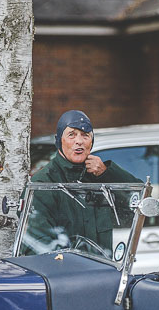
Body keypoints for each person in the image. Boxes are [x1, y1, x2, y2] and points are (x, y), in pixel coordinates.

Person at [27, 110, 139, 257]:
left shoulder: (100, 176)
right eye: (71, 135)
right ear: (59, 140)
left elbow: (138, 201)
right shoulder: (43, 183)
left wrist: (106, 173)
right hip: (62, 273)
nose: (79, 141)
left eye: (85, 135)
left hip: (102, 270)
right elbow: (36, 244)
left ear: (92, 142)